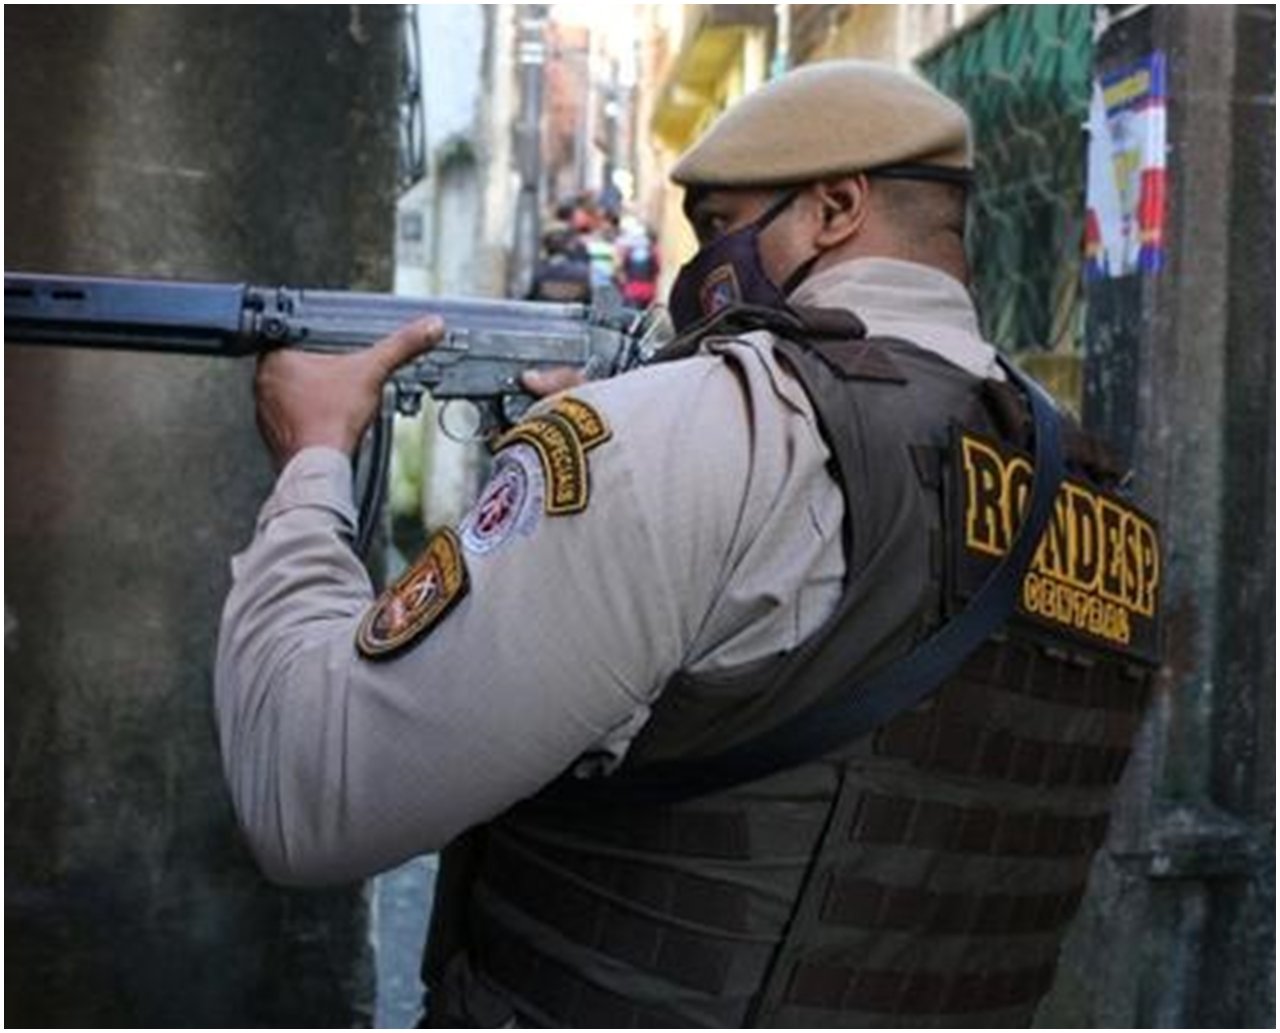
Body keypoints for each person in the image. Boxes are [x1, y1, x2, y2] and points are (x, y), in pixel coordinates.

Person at [216, 60, 1160, 1027]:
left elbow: (308, 791)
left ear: (836, 207)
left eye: (718, 226)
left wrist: (314, 463)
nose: (697, 264)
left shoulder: (684, 431)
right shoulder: (1100, 505)